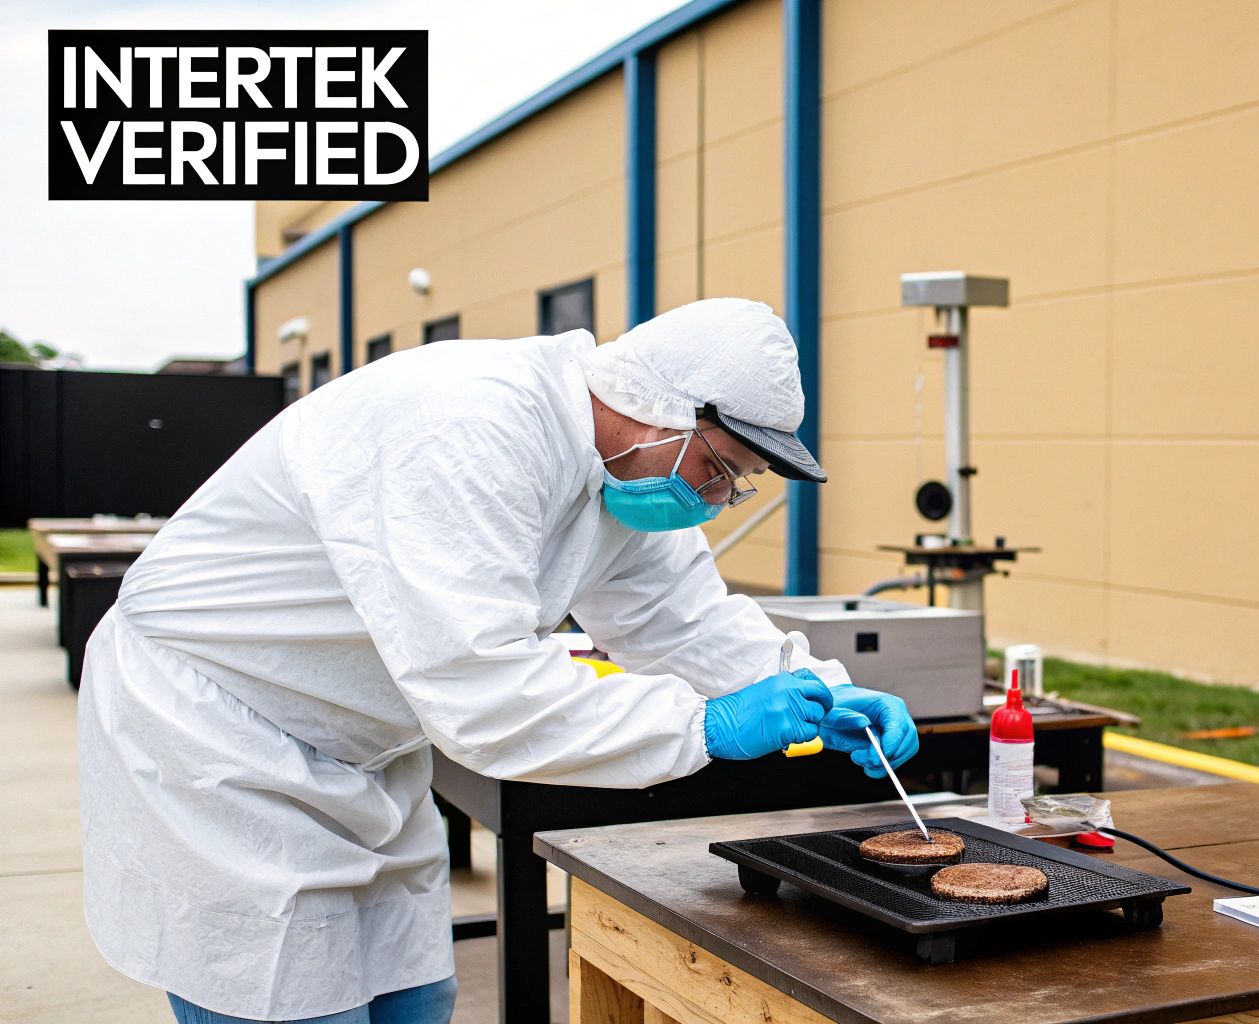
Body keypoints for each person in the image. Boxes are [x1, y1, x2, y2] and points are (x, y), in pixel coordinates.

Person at [77, 298, 918, 1024]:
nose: (716, 495)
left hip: (360, 748)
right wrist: (705, 724)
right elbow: (484, 688)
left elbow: (683, 620)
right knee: (289, 1002)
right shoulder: (465, 423)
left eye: (737, 482)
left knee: (411, 998)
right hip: (221, 734)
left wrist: (817, 689)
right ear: (659, 403)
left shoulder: (620, 470)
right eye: (720, 467)